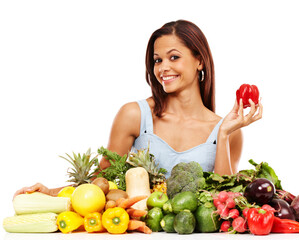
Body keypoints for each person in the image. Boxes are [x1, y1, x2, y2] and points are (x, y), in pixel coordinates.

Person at [14, 20, 262, 197]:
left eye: (174, 57)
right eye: (157, 60)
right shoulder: (135, 115)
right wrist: (51, 193)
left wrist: (225, 134)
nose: (163, 67)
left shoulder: (228, 131)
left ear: (199, 60)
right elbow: (102, 183)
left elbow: (224, 200)